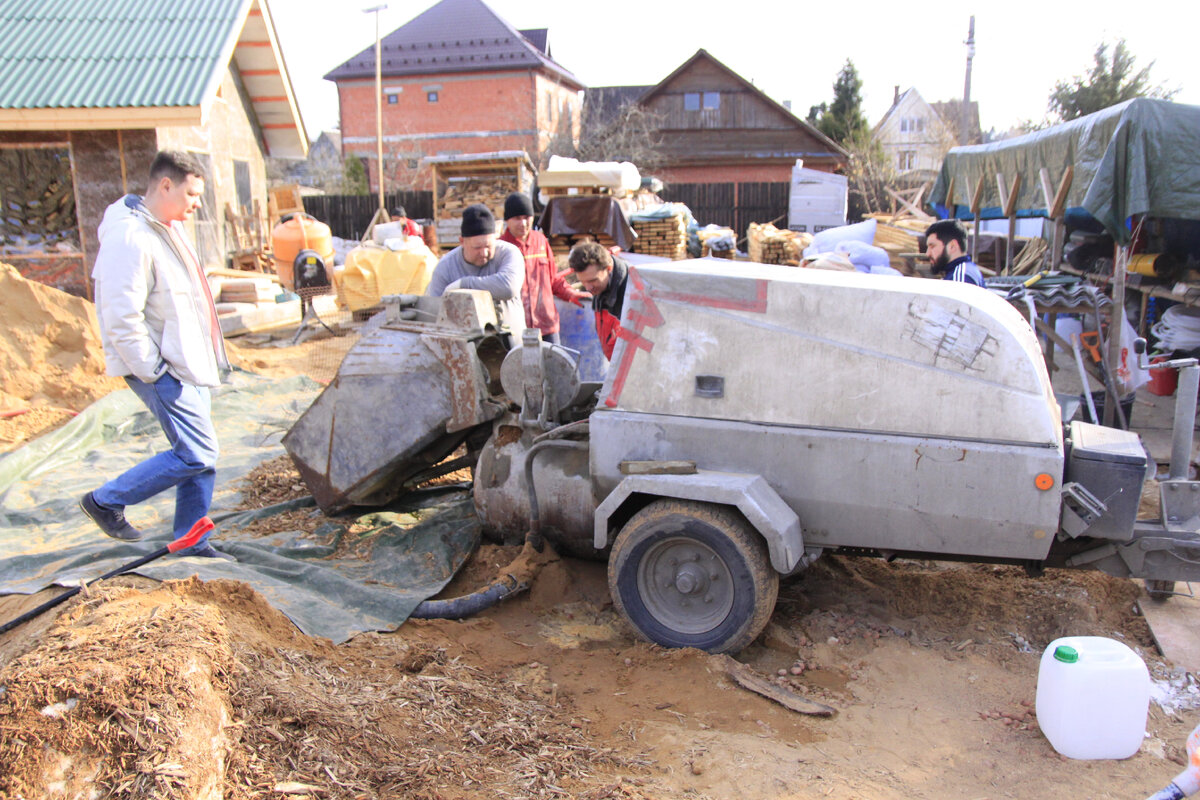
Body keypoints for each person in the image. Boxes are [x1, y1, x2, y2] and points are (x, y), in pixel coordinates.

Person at [81, 150, 233, 560]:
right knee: (196, 452)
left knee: (203, 455)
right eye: (193, 193)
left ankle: (191, 539)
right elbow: (121, 316)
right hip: (161, 367)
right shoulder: (130, 237)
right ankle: (106, 500)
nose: (197, 203)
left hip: (187, 363)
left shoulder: (167, 229)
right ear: (166, 185)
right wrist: (154, 371)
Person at [498, 192, 590, 345]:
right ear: (507, 220)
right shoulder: (501, 248)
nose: (523, 223)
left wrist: (571, 294)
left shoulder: (540, 241)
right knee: (520, 368)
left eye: (526, 217)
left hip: (546, 322)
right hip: (517, 328)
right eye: (517, 219)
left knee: (555, 365)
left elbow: (553, 278)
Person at [425, 203, 525, 334]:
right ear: (462, 242)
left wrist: (464, 284)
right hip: (466, 348)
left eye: (488, 246)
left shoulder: (509, 253)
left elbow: (508, 287)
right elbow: (434, 313)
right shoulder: (445, 267)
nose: (484, 253)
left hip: (514, 347)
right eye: (477, 247)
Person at [568, 241, 630, 360]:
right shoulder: (600, 286)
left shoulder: (632, 291)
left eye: (592, 281)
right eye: (583, 281)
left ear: (609, 268)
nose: (588, 288)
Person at [924, 219, 986, 287]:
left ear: (952, 246)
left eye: (932, 246)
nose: (928, 253)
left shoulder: (960, 278)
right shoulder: (961, 272)